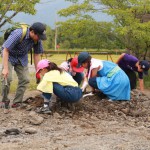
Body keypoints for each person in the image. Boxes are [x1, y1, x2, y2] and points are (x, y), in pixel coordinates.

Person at [1, 22, 47, 109]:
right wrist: (5, 69)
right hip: (9, 55)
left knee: (25, 79)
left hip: (22, 57)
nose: (39, 39)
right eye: (38, 36)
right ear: (32, 32)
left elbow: (37, 55)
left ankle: (17, 102)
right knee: (7, 77)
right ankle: (4, 100)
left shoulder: (37, 40)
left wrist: (38, 72)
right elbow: (5, 50)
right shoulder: (18, 34)